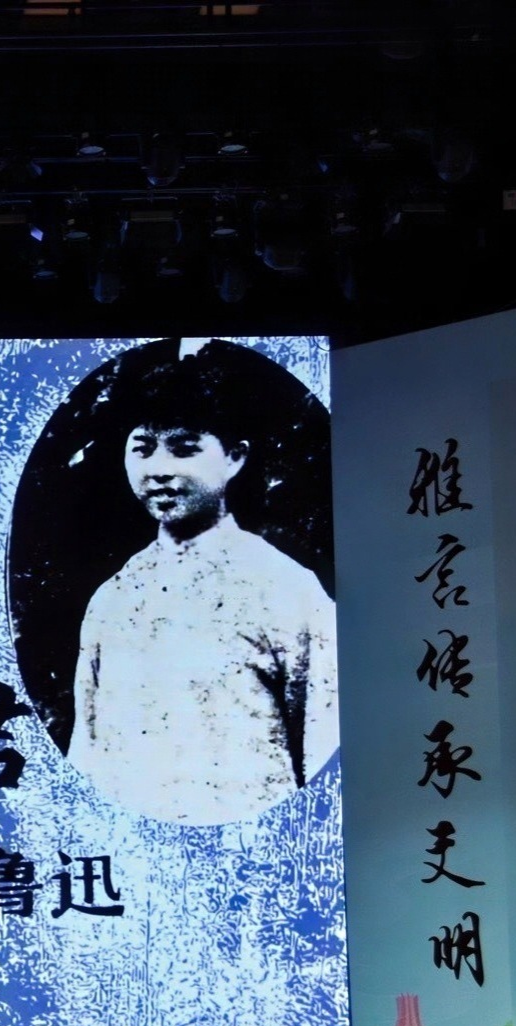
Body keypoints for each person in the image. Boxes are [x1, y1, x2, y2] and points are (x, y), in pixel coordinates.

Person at [69, 351, 338, 825]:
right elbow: (86, 749)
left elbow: (325, 743)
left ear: (235, 457)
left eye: (184, 448)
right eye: (142, 447)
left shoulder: (286, 588)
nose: (159, 468)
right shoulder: (113, 597)